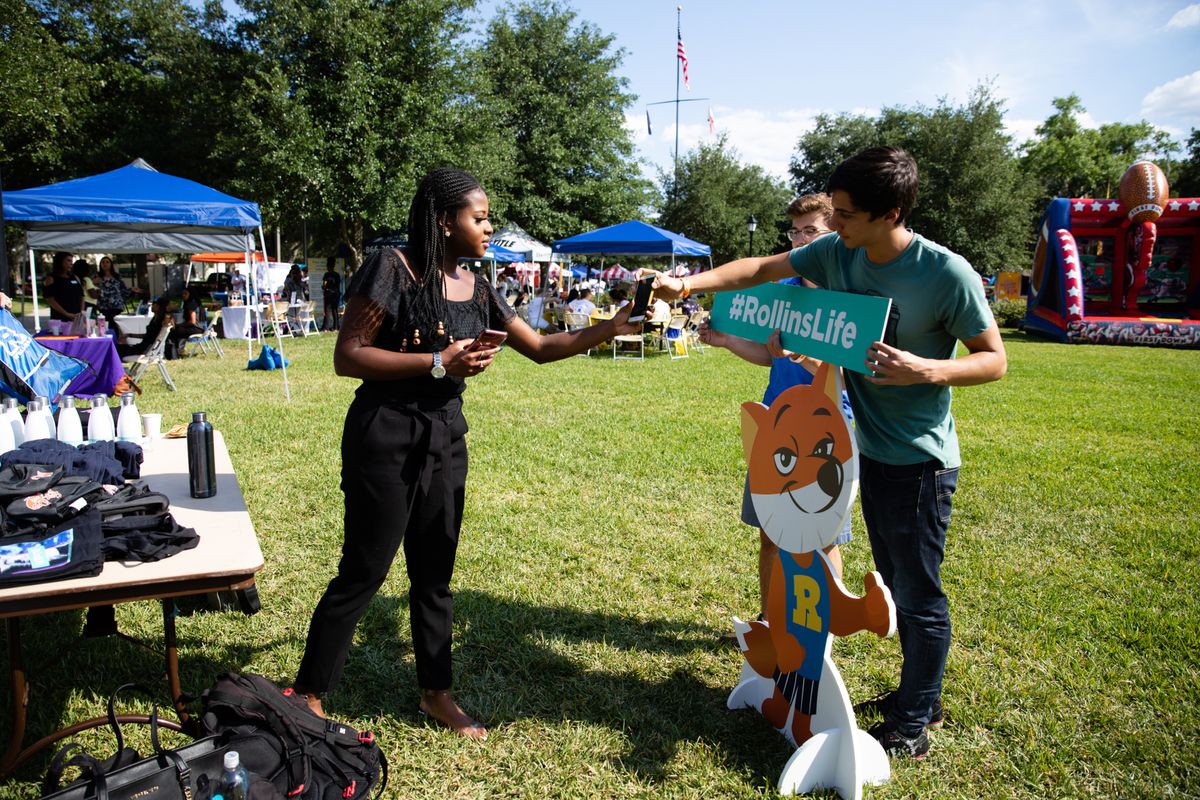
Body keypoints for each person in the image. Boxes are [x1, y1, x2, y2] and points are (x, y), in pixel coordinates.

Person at [654, 146, 1006, 759]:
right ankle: (911, 697)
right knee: (895, 579)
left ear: (890, 212)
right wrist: (687, 280)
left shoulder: (945, 274)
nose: (834, 225)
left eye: (845, 214)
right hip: (863, 447)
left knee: (914, 590)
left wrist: (925, 369)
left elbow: (994, 359)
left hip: (919, 459)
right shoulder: (840, 251)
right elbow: (759, 269)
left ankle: (916, 716)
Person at [293, 168, 639, 741]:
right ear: (442, 221)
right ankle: (308, 693)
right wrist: (438, 362)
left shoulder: (477, 284)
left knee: (435, 574)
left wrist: (612, 327)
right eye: (479, 217)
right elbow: (348, 355)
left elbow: (543, 347)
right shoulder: (392, 268)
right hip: (386, 432)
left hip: (446, 436)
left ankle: (437, 693)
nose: (488, 225)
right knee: (365, 570)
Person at [699, 194, 853, 624]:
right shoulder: (782, 293)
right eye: (795, 232)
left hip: (829, 427)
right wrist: (728, 341)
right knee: (771, 533)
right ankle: (770, 622)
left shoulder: (848, 297)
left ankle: (819, 630)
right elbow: (772, 356)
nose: (801, 241)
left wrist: (804, 355)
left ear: (834, 234)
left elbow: (850, 372)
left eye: (811, 232)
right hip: (777, 421)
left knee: (824, 538)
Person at [96, 256, 139, 336]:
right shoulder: (97, 277)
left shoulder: (117, 276)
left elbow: (123, 290)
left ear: (111, 264)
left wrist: (132, 290)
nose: (105, 264)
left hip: (116, 305)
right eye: (103, 262)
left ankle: (117, 341)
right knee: (106, 325)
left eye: (107, 262)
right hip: (104, 305)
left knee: (115, 323)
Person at [44, 252, 85, 323]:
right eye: (68, 261)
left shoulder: (75, 277)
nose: (71, 263)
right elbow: (50, 300)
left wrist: (82, 312)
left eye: (72, 261)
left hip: (76, 317)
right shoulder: (51, 279)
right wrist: (67, 314)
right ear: (60, 261)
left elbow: (82, 296)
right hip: (60, 318)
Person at [167, 287, 204, 358]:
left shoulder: (191, 305)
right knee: (177, 330)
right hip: (200, 328)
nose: (183, 295)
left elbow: (192, 322)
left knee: (173, 331)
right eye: (183, 293)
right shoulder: (195, 303)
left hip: (196, 328)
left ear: (191, 294)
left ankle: (175, 352)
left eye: (185, 294)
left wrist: (181, 325)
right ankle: (179, 350)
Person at [322, 259, 343, 331]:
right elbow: (338, 285)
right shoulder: (337, 275)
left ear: (328, 266)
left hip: (328, 294)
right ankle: (336, 327)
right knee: (335, 311)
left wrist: (325, 287)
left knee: (327, 311)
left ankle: (325, 327)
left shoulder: (326, 275)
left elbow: (324, 285)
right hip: (335, 294)